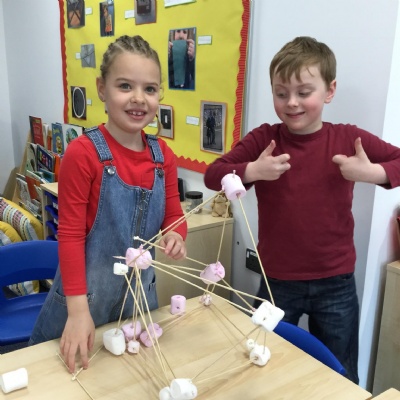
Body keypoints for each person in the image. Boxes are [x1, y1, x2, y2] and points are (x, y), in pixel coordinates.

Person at [204, 36, 400, 384]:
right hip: (277, 281)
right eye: (281, 93)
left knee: (340, 376)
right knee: (258, 368)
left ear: (329, 91)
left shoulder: (347, 138)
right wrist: (252, 171)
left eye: (303, 92)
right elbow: (212, 174)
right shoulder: (265, 139)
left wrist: (373, 173)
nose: (291, 102)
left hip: (336, 282)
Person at [29, 35, 187, 373]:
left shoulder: (164, 157)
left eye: (150, 89)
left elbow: (173, 216)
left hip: (138, 304)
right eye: (125, 85)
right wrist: (77, 312)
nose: (138, 98)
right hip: (81, 304)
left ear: (159, 94)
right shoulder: (83, 154)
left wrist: (176, 235)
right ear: (102, 88)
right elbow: (70, 236)